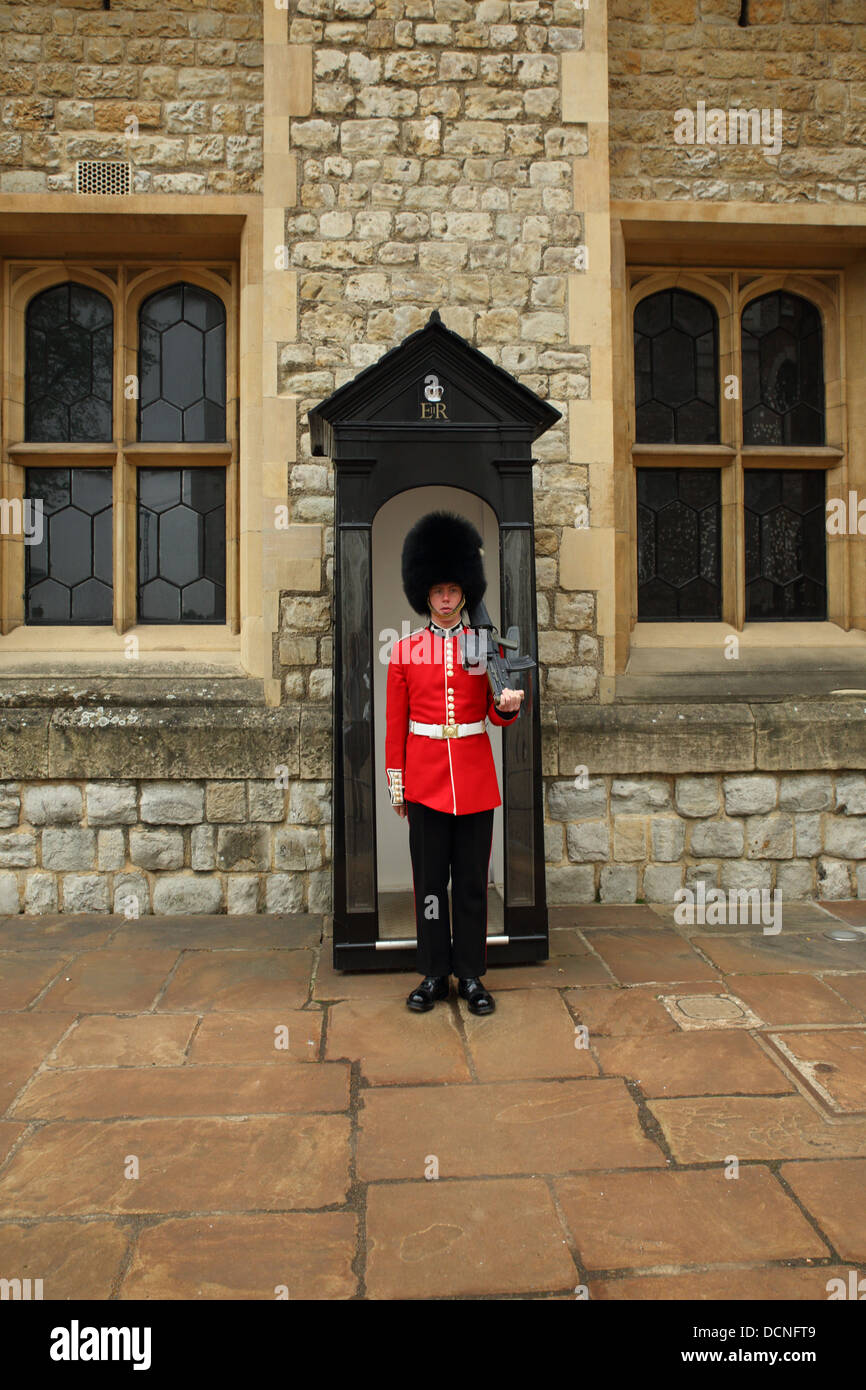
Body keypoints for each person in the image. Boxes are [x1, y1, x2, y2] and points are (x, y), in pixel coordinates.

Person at [385, 510, 525, 1015]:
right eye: (437, 590)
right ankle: (432, 973)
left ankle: (469, 975)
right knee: (429, 885)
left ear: (465, 591)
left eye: (453, 589)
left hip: (473, 779)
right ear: (424, 593)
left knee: (469, 884)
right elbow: (395, 724)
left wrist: (507, 706)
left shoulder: (486, 647)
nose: (445, 598)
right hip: (424, 783)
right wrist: (397, 782)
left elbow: (495, 707)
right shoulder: (404, 652)